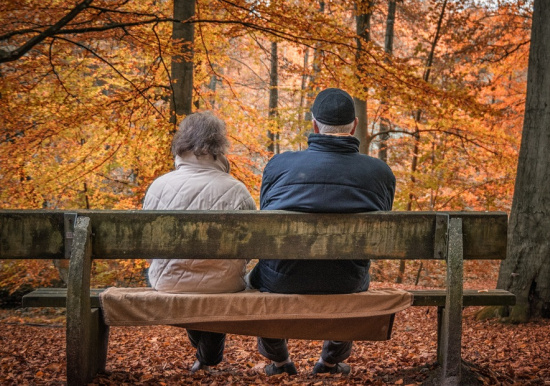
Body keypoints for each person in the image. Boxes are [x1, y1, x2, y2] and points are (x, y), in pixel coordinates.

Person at [248, 88, 396, 377]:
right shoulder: (380, 173)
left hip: (282, 279)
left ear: (314, 125)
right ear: (354, 126)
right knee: (351, 270)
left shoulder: (279, 165)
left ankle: (280, 362)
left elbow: (267, 218)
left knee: (261, 275)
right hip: (346, 281)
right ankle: (329, 363)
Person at [143, 112, 256, 373]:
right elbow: (250, 248)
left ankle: (207, 358)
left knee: (193, 286)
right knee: (215, 285)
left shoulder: (158, 186)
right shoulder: (236, 189)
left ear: (181, 144)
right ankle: (209, 357)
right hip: (225, 283)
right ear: (219, 146)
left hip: (168, 281)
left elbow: (149, 247)